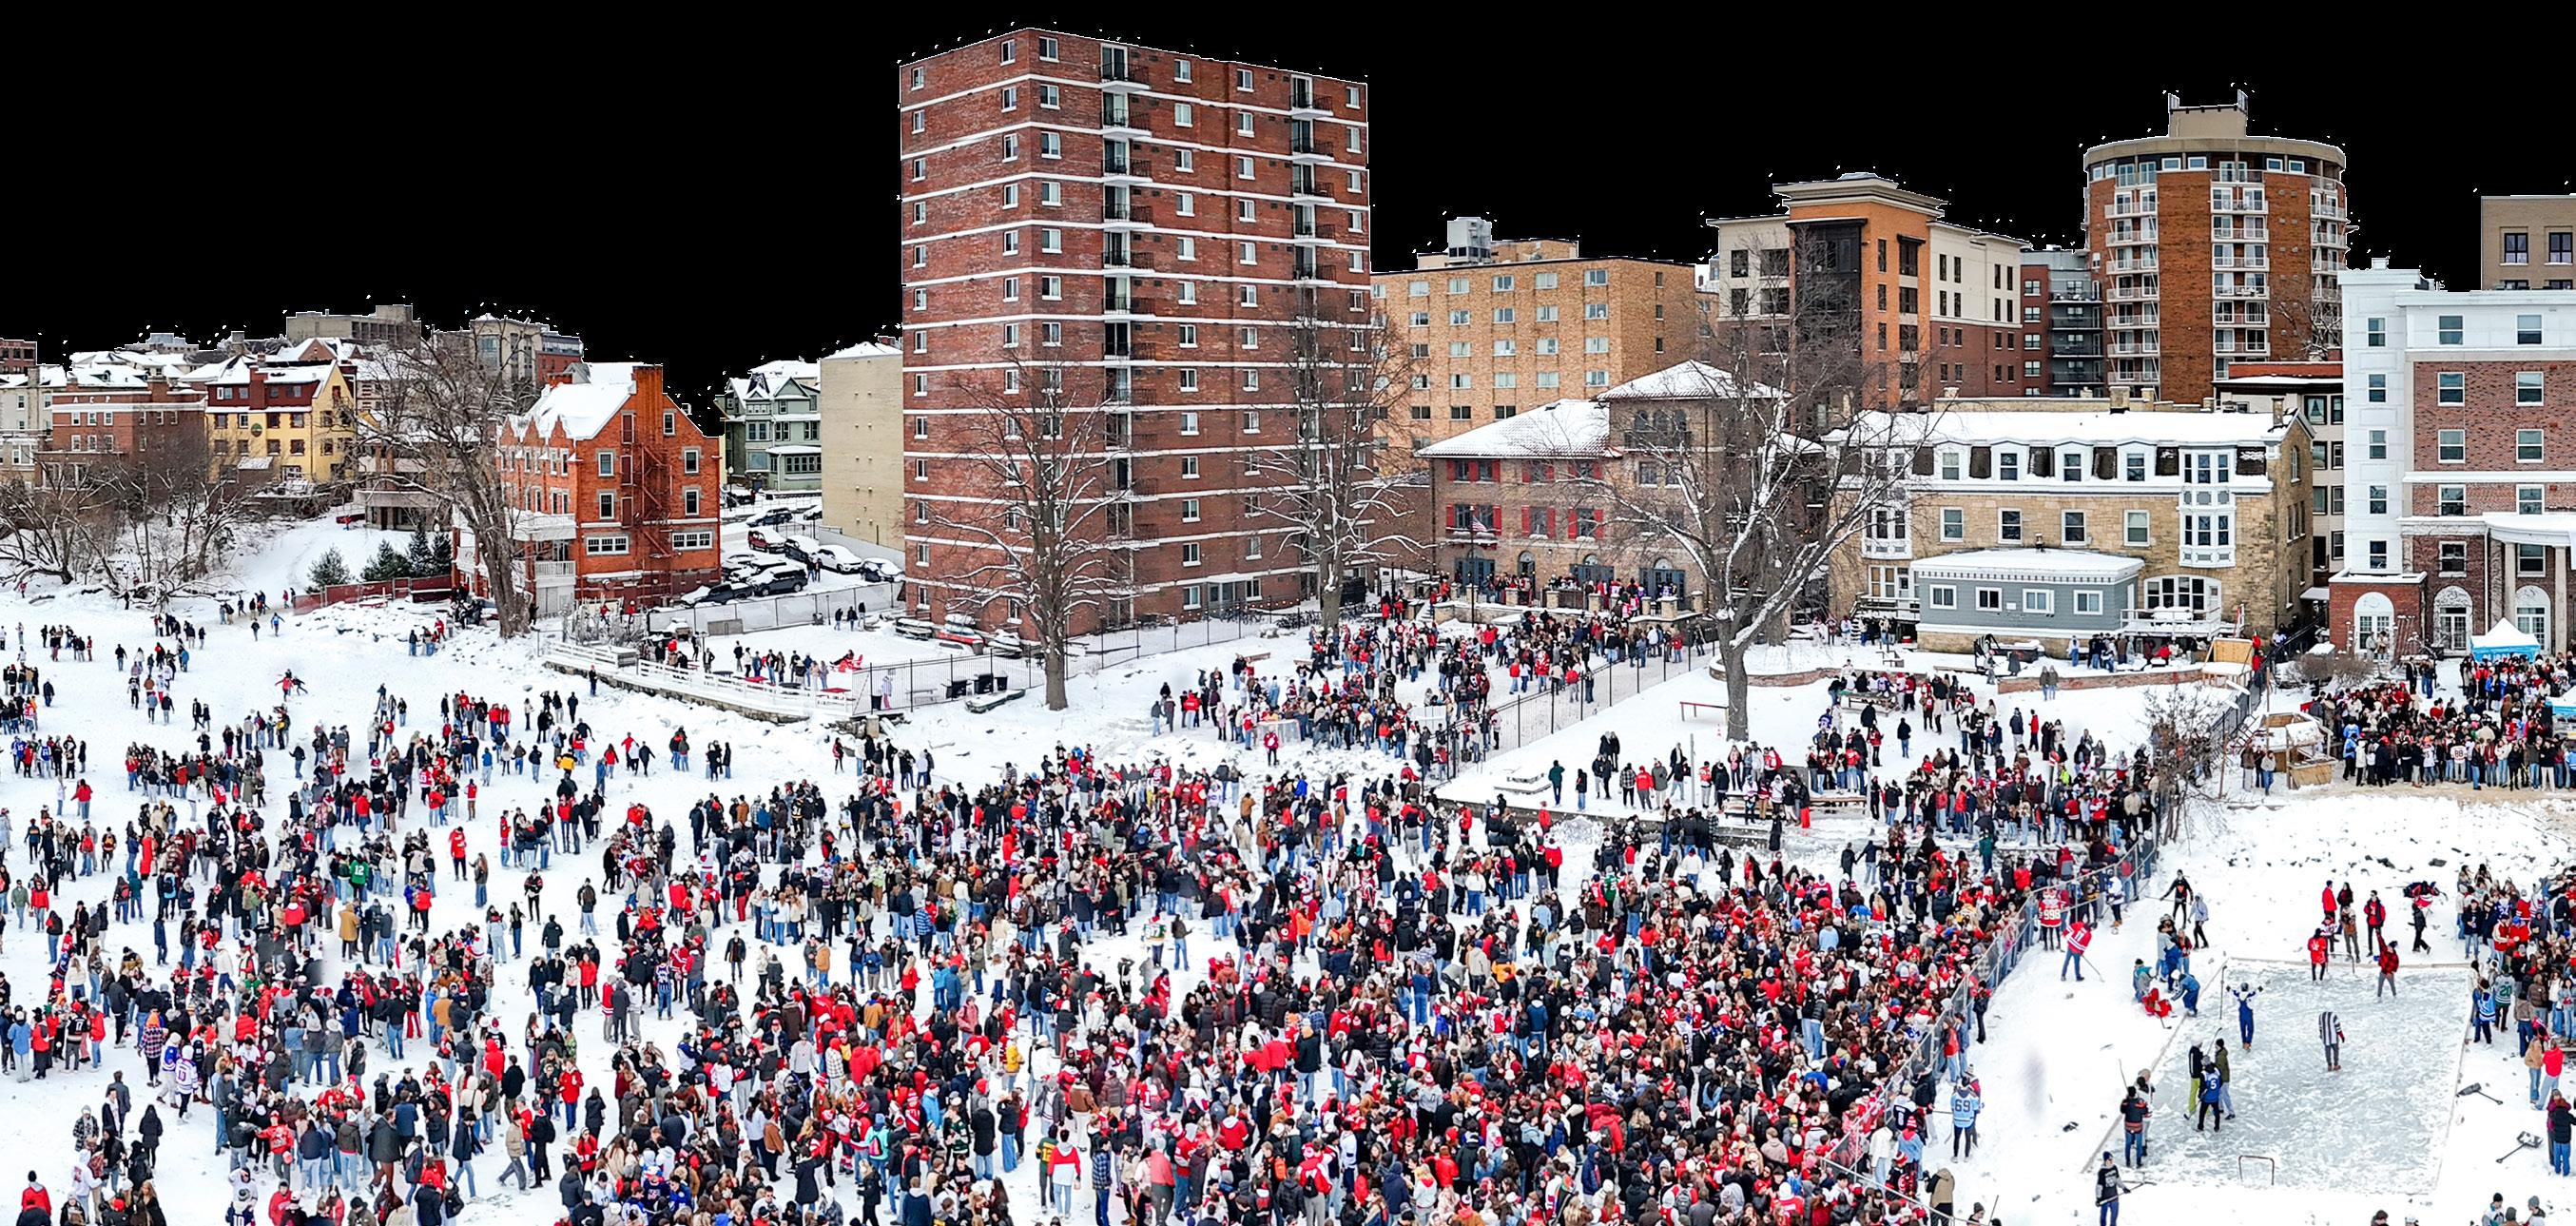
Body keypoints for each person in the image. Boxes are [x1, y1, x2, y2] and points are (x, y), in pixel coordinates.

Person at [2095, 1153, 2122, 1226]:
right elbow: (2099, 1186)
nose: (2111, 1161)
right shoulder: (2102, 1172)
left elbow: (2118, 1179)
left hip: (2114, 1197)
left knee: (2114, 1216)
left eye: (2112, 1159)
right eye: (2109, 1160)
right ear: (2105, 1161)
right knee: (2103, 1216)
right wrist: (2098, 1198)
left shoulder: (2114, 1168)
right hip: (2105, 1199)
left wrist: (2124, 1187)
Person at [2319, 1008, 2345, 1072]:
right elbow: (2338, 1028)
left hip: (2325, 1038)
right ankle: (2336, 1065)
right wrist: (2342, 1036)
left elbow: (2320, 1027)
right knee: (2336, 1051)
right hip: (2334, 1038)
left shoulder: (2321, 1016)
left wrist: (2321, 1035)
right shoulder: (2334, 1016)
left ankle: (2329, 1065)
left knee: (2327, 1052)